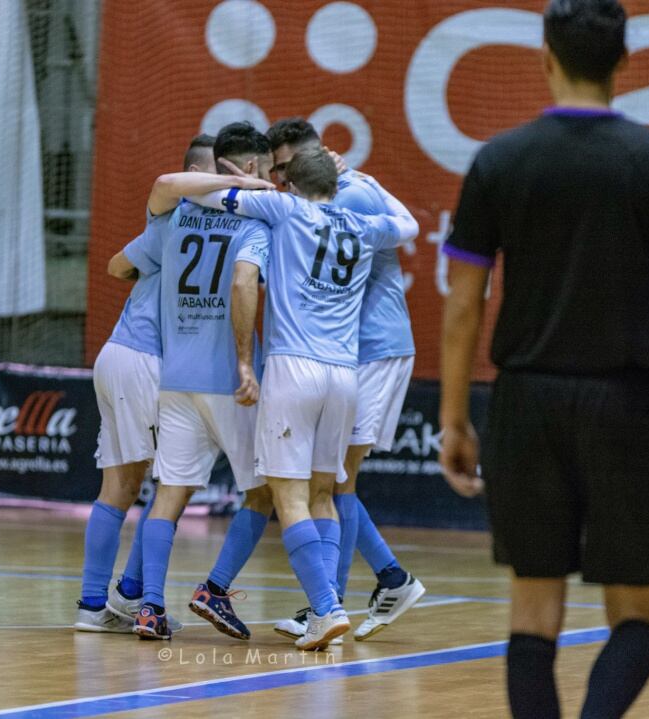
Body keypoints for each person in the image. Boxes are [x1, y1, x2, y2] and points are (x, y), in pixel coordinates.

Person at [438, 1, 649, 716]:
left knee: (533, 612)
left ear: (546, 55)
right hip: (627, 408)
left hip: (526, 402)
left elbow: (462, 305)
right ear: (625, 61)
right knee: (638, 617)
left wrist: (455, 416)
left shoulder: (499, 160)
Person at [190, 147, 418, 650]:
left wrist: (251, 186)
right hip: (344, 374)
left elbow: (208, 197)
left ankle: (326, 608)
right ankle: (329, 603)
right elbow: (407, 224)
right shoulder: (363, 225)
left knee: (288, 496)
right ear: (337, 187)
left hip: (294, 369)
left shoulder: (283, 209)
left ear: (289, 184)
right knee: (323, 494)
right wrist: (365, 177)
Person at [111, 124, 275, 641]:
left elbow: (123, 264)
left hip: (175, 377)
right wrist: (247, 363)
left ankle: (150, 609)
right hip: (227, 379)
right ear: (249, 170)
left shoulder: (174, 217)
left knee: (168, 495)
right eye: (266, 171)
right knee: (266, 490)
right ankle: (216, 588)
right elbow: (244, 285)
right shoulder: (257, 222)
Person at [266, 118, 426, 642]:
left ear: (315, 159)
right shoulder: (341, 192)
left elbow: (406, 225)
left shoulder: (342, 198)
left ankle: (329, 603)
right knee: (330, 483)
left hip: (371, 349)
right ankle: (386, 579)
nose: (279, 178)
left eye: (286, 167)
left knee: (335, 484)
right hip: (351, 354)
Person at [74, 134, 218, 633]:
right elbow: (119, 264)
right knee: (164, 487)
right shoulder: (186, 220)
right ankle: (130, 597)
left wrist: (146, 271)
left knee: (120, 486)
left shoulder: (166, 227)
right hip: (144, 360)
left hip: (116, 352)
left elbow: (117, 265)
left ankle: (97, 604)